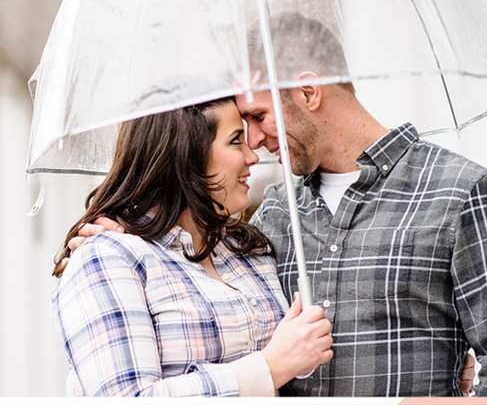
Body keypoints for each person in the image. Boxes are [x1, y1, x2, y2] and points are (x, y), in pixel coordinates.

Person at [73, 12, 487, 396]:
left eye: (256, 116)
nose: (253, 140)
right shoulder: (271, 217)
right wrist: (130, 234)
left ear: (308, 93)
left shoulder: (461, 193)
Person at [51, 97, 334, 397]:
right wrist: (269, 367)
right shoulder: (111, 258)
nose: (252, 156)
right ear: (187, 155)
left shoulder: (248, 251)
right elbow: (126, 398)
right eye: (236, 141)